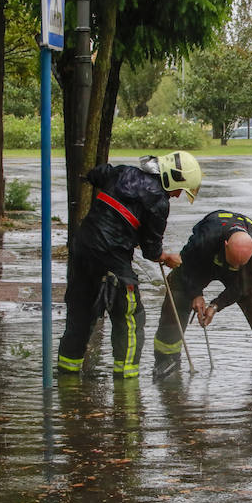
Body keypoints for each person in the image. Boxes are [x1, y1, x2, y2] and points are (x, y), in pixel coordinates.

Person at [57, 151, 202, 379]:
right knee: (130, 317)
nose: (176, 196)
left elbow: (98, 173)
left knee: (80, 313)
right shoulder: (158, 201)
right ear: (172, 179)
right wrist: (166, 257)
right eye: (179, 190)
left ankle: (67, 375)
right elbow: (151, 249)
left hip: (82, 249)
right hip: (113, 256)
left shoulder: (123, 171)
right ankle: (126, 383)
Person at [153, 210, 252, 375]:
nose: (234, 267)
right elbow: (187, 265)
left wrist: (215, 306)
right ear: (226, 245)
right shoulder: (205, 237)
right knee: (178, 294)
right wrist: (195, 293)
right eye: (233, 262)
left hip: (241, 275)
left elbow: (242, 286)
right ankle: (166, 361)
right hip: (203, 263)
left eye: (239, 264)